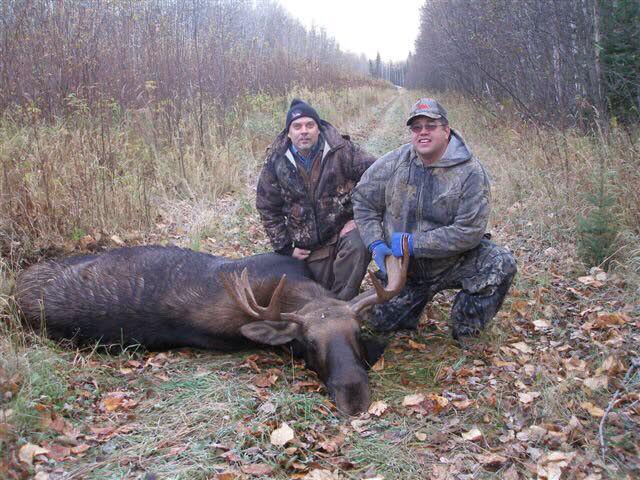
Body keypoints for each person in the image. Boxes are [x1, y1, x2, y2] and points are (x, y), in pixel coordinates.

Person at [352, 98, 517, 340]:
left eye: (431, 125)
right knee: (375, 324)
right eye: (416, 127)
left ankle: (467, 328)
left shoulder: (470, 172)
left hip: (453, 262)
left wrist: (412, 244)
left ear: (446, 130)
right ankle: (411, 304)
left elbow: (469, 231)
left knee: (501, 263)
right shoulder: (394, 162)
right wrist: (376, 243)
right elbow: (363, 200)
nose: (423, 132)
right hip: (404, 270)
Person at [256, 99, 376, 300]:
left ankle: (342, 308)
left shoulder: (343, 151)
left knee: (360, 241)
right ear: (289, 132)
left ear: (318, 129)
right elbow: (267, 206)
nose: (304, 131)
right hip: (307, 248)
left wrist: (360, 219)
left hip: (342, 236)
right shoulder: (275, 161)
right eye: (297, 126)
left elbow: (377, 179)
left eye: (310, 125)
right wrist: (286, 247)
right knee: (311, 296)